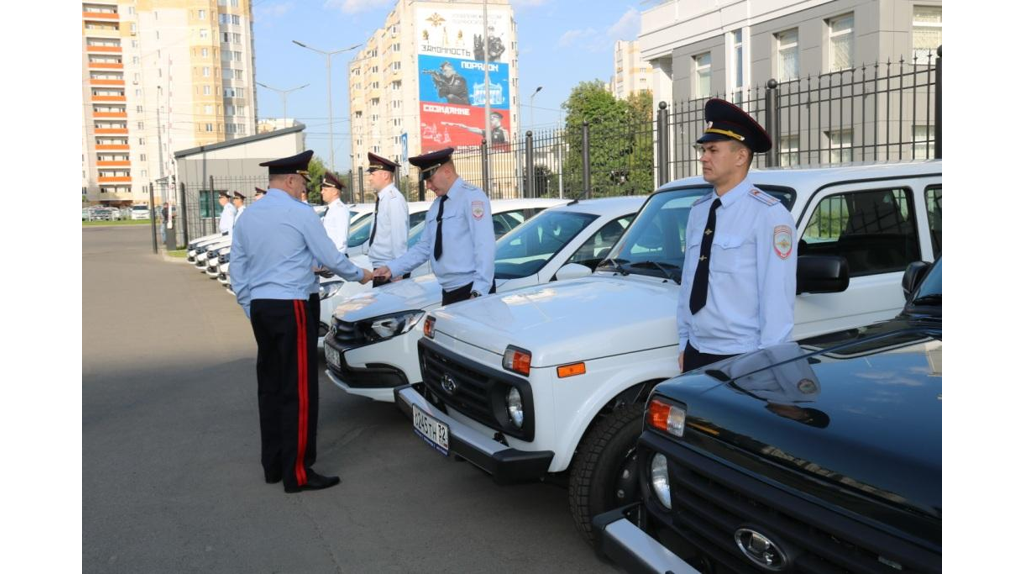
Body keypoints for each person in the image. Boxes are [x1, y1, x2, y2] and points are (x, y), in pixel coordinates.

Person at [230, 150, 372, 493]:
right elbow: (330, 257)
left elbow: (238, 268)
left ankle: (274, 465)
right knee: (300, 390)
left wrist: (250, 307)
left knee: (272, 387)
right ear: (291, 180)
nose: (303, 190)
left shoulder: (248, 215)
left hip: (262, 307)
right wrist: (361, 275)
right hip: (292, 304)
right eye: (302, 183)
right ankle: (298, 473)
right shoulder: (299, 212)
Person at [677, 98, 797, 373]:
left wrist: (771, 366)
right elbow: (689, 283)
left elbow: (777, 298)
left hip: (744, 356)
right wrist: (684, 343)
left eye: (713, 150)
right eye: (703, 149)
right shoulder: (699, 211)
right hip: (697, 351)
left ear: (741, 156)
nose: (703, 157)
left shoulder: (769, 215)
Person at [372, 148, 495, 305]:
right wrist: (392, 268)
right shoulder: (436, 206)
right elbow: (424, 247)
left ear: (447, 172)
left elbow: (484, 246)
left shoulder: (472, 198)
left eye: (430, 179)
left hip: (471, 291)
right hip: (449, 292)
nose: (428, 186)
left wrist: (479, 292)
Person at [365, 153, 409, 287]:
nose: (369, 179)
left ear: (385, 175)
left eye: (373, 174)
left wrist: (398, 269)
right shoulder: (384, 198)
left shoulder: (394, 199)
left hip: (390, 269)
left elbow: (399, 236)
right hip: (382, 267)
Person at [320, 171, 350, 253]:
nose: (321, 192)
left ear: (335, 192)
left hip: (334, 260)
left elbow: (341, 243)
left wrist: (334, 263)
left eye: (325, 190)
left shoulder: (340, 210)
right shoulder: (330, 209)